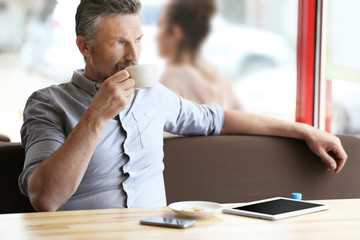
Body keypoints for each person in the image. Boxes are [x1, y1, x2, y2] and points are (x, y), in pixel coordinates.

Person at [18, 0, 347, 212]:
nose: (133, 55)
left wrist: (305, 130)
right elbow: (45, 198)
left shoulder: (152, 95)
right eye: (118, 42)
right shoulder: (48, 104)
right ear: (84, 46)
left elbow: (216, 119)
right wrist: (96, 115)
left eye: (139, 39)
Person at [157, 0, 243, 110]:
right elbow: (242, 117)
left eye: (161, 27)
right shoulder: (219, 76)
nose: (157, 37)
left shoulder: (172, 79)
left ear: (176, 33)